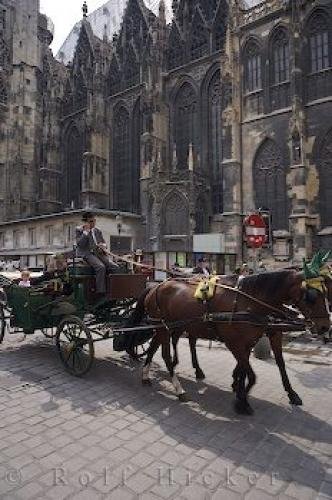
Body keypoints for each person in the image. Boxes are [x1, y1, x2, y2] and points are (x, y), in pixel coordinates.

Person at [75, 212, 120, 295]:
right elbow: (80, 244)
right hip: (87, 254)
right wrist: (86, 233)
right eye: (91, 221)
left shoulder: (97, 231)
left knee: (115, 267)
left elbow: (104, 242)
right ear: (85, 222)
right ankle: (101, 291)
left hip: (98, 253)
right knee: (100, 267)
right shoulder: (79, 230)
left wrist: (103, 245)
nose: (93, 223)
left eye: (94, 221)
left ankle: (114, 289)